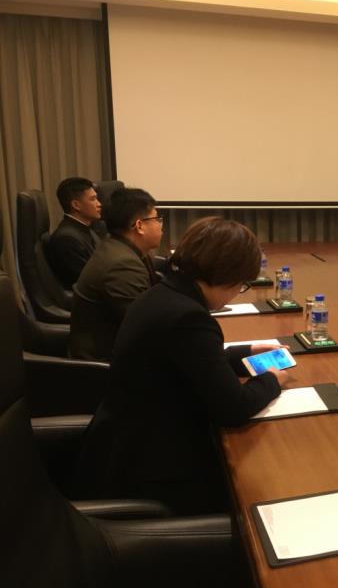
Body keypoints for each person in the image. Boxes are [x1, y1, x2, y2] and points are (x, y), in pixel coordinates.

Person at [78, 217, 290, 514]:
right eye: (241, 284)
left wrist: (247, 352)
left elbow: (191, 360)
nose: (238, 290)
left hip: (124, 443)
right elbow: (234, 408)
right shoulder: (188, 317)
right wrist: (271, 380)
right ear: (228, 276)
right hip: (154, 469)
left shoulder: (164, 293)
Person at [69, 188, 162, 360]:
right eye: (157, 219)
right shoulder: (123, 265)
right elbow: (146, 328)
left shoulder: (118, 246)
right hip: (106, 364)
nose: (160, 225)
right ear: (139, 226)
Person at [46, 177, 102, 288]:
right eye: (93, 199)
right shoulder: (67, 239)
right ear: (76, 205)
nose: (99, 204)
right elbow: (89, 281)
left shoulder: (83, 228)